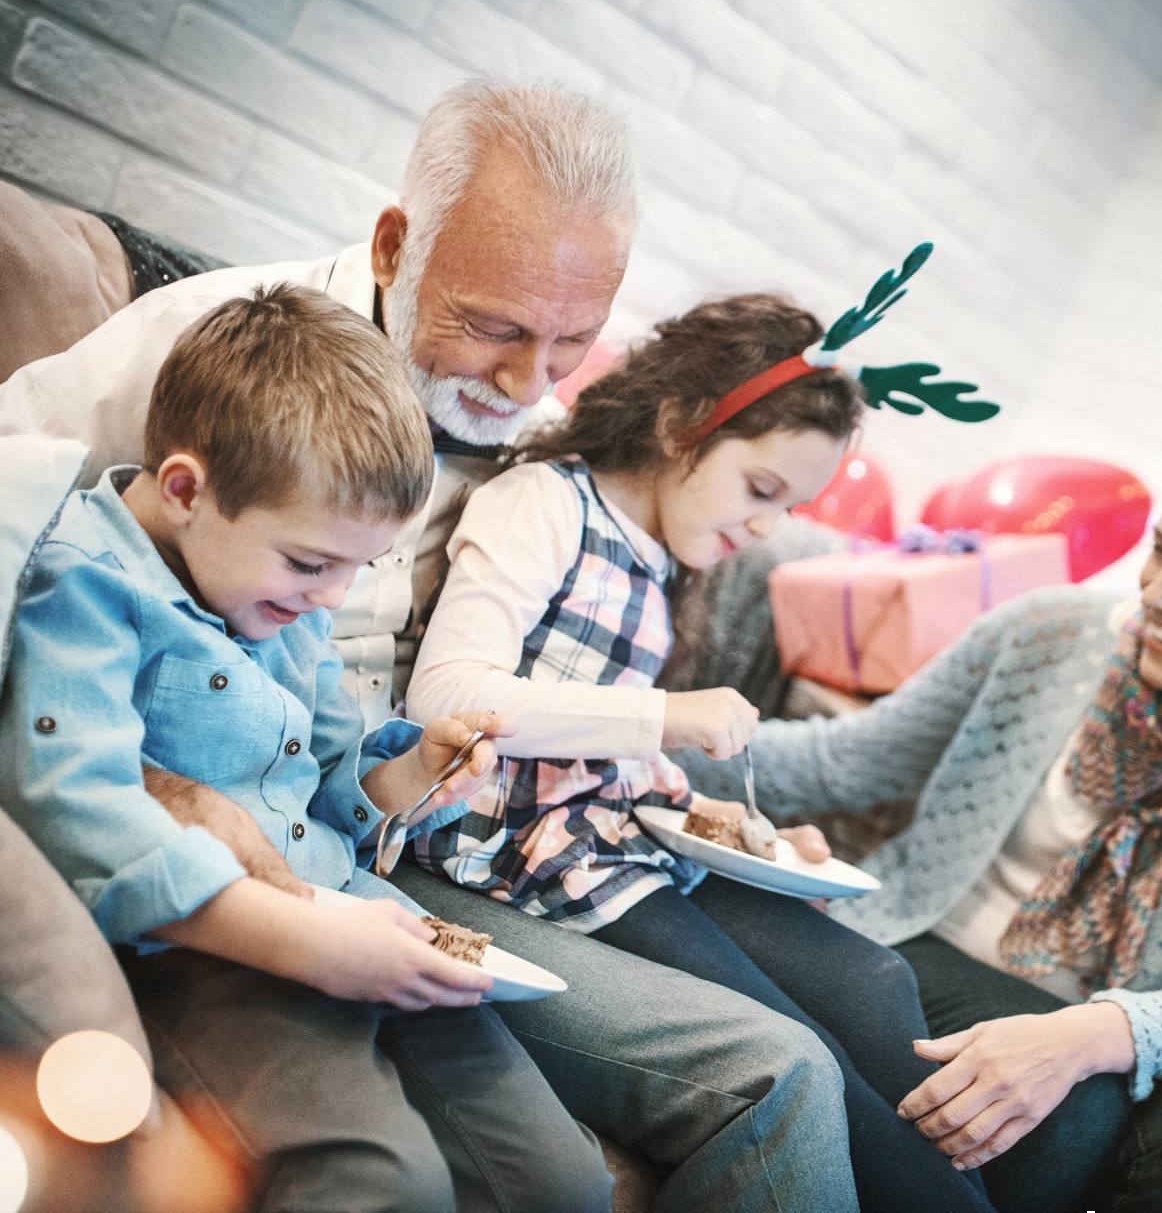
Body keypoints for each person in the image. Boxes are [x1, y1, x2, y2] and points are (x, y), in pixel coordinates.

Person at [0, 77, 857, 1211]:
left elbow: (340, 753)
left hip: (379, 864)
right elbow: (39, 599)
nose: (527, 383)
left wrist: (409, 772)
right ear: (394, 247)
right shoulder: (189, 369)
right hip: (254, 900)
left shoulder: (528, 451)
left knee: (659, 1121)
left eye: (573, 342)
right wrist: (170, 791)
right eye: (496, 327)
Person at [0, 285, 614, 1212]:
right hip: (213, 953)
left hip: (354, 914)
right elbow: (74, 803)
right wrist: (309, 942)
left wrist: (415, 772)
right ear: (184, 491)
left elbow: (333, 780)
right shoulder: (84, 586)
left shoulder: (285, 605)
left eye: (357, 568)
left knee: (562, 1181)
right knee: (384, 1181)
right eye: (310, 564)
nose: (333, 600)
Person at [679, 429, 1162, 1213]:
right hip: (930, 948)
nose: (1157, 592)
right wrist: (643, 732)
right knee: (1071, 1124)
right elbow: (841, 762)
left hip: (1112, 1032)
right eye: (1161, 551)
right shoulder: (1049, 632)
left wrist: (1076, 1039)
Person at [401, 292, 994, 1213]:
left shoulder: (660, 555)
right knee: (800, 1044)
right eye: (761, 491)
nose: (765, 529)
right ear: (680, 426)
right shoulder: (542, 504)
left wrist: (714, 815)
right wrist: (665, 716)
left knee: (873, 978)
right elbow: (445, 696)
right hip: (512, 849)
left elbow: (603, 745)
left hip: (611, 840)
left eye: (788, 506)